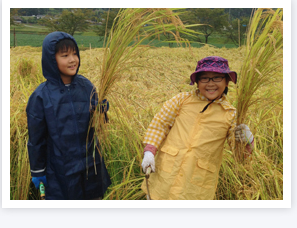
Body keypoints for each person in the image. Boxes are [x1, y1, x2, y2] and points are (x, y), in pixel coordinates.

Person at [140, 56, 255, 200]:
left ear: (226, 82)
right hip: (164, 177)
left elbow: (239, 155)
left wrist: (246, 140)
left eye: (217, 78)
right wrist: (149, 152)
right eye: (204, 78)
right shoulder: (182, 100)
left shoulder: (231, 115)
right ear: (197, 82)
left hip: (195, 187)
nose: (210, 84)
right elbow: (160, 125)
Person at [27, 31, 112, 200]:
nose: (72, 60)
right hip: (60, 170)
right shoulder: (41, 96)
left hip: (90, 166)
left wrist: (101, 111)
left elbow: (97, 125)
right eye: (65, 55)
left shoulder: (86, 86)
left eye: (75, 54)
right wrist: (38, 171)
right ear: (52, 59)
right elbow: (36, 140)